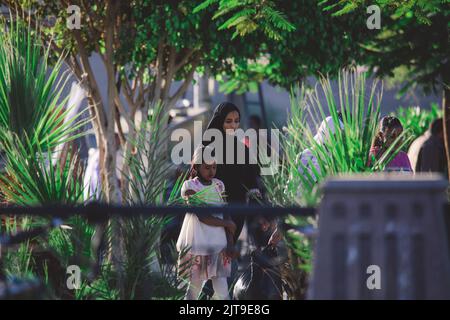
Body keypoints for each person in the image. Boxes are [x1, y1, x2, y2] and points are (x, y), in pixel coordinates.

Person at [176, 146, 237, 300]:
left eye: (214, 167)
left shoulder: (219, 185)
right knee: (193, 290)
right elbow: (203, 217)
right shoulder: (189, 187)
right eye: (207, 167)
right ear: (196, 167)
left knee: (222, 290)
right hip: (198, 244)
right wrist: (227, 224)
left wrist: (229, 241)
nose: (211, 171)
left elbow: (225, 211)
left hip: (218, 244)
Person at [204, 102, 261, 243]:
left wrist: (261, 212)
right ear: (219, 121)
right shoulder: (206, 148)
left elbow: (251, 182)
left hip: (236, 213)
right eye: (228, 121)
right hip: (211, 215)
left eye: (236, 121)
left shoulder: (242, 150)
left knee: (228, 259)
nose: (233, 126)